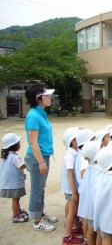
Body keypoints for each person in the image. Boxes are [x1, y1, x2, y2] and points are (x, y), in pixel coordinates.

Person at [24, 84, 58, 231]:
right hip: (37, 158)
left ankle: (40, 214)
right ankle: (37, 221)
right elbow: (33, 142)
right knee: (37, 189)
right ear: (38, 98)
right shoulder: (33, 116)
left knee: (41, 188)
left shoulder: (40, 113)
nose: (50, 97)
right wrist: (40, 162)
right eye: (47, 95)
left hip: (44, 156)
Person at [60, 127, 84, 244]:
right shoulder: (69, 155)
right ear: (73, 141)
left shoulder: (76, 152)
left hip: (73, 187)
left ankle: (74, 228)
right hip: (71, 188)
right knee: (72, 211)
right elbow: (70, 174)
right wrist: (74, 192)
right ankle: (67, 236)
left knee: (73, 209)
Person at [77, 140, 102, 245]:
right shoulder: (100, 170)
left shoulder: (89, 168)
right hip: (97, 206)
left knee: (90, 232)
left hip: (89, 206)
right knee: (99, 232)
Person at [0, 133, 29, 223]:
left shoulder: (7, 155)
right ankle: (16, 215)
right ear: (14, 146)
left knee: (16, 199)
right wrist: (28, 165)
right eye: (18, 143)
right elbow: (21, 166)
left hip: (9, 182)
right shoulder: (15, 157)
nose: (20, 144)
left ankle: (18, 211)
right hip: (14, 183)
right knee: (16, 199)